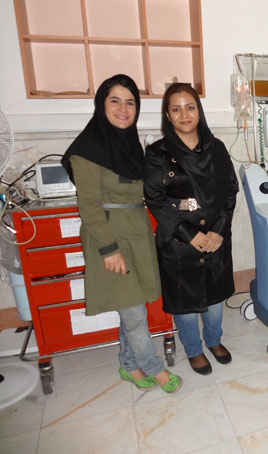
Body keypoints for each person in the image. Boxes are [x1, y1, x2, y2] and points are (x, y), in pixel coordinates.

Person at [61, 74, 181, 394]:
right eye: (115, 101)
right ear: (101, 105)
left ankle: (129, 366)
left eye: (130, 103)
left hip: (137, 233)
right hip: (110, 236)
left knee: (134, 302)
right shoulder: (86, 150)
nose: (123, 109)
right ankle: (154, 368)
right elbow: (88, 206)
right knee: (134, 312)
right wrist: (109, 249)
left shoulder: (130, 145)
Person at [144, 83, 239, 376]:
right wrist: (190, 234)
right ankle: (194, 350)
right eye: (176, 109)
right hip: (179, 242)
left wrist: (219, 231)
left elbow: (231, 191)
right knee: (185, 301)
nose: (184, 114)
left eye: (190, 107)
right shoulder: (157, 154)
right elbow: (155, 200)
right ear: (167, 115)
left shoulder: (217, 148)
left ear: (199, 111)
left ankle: (214, 340)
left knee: (215, 296)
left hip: (215, 238)